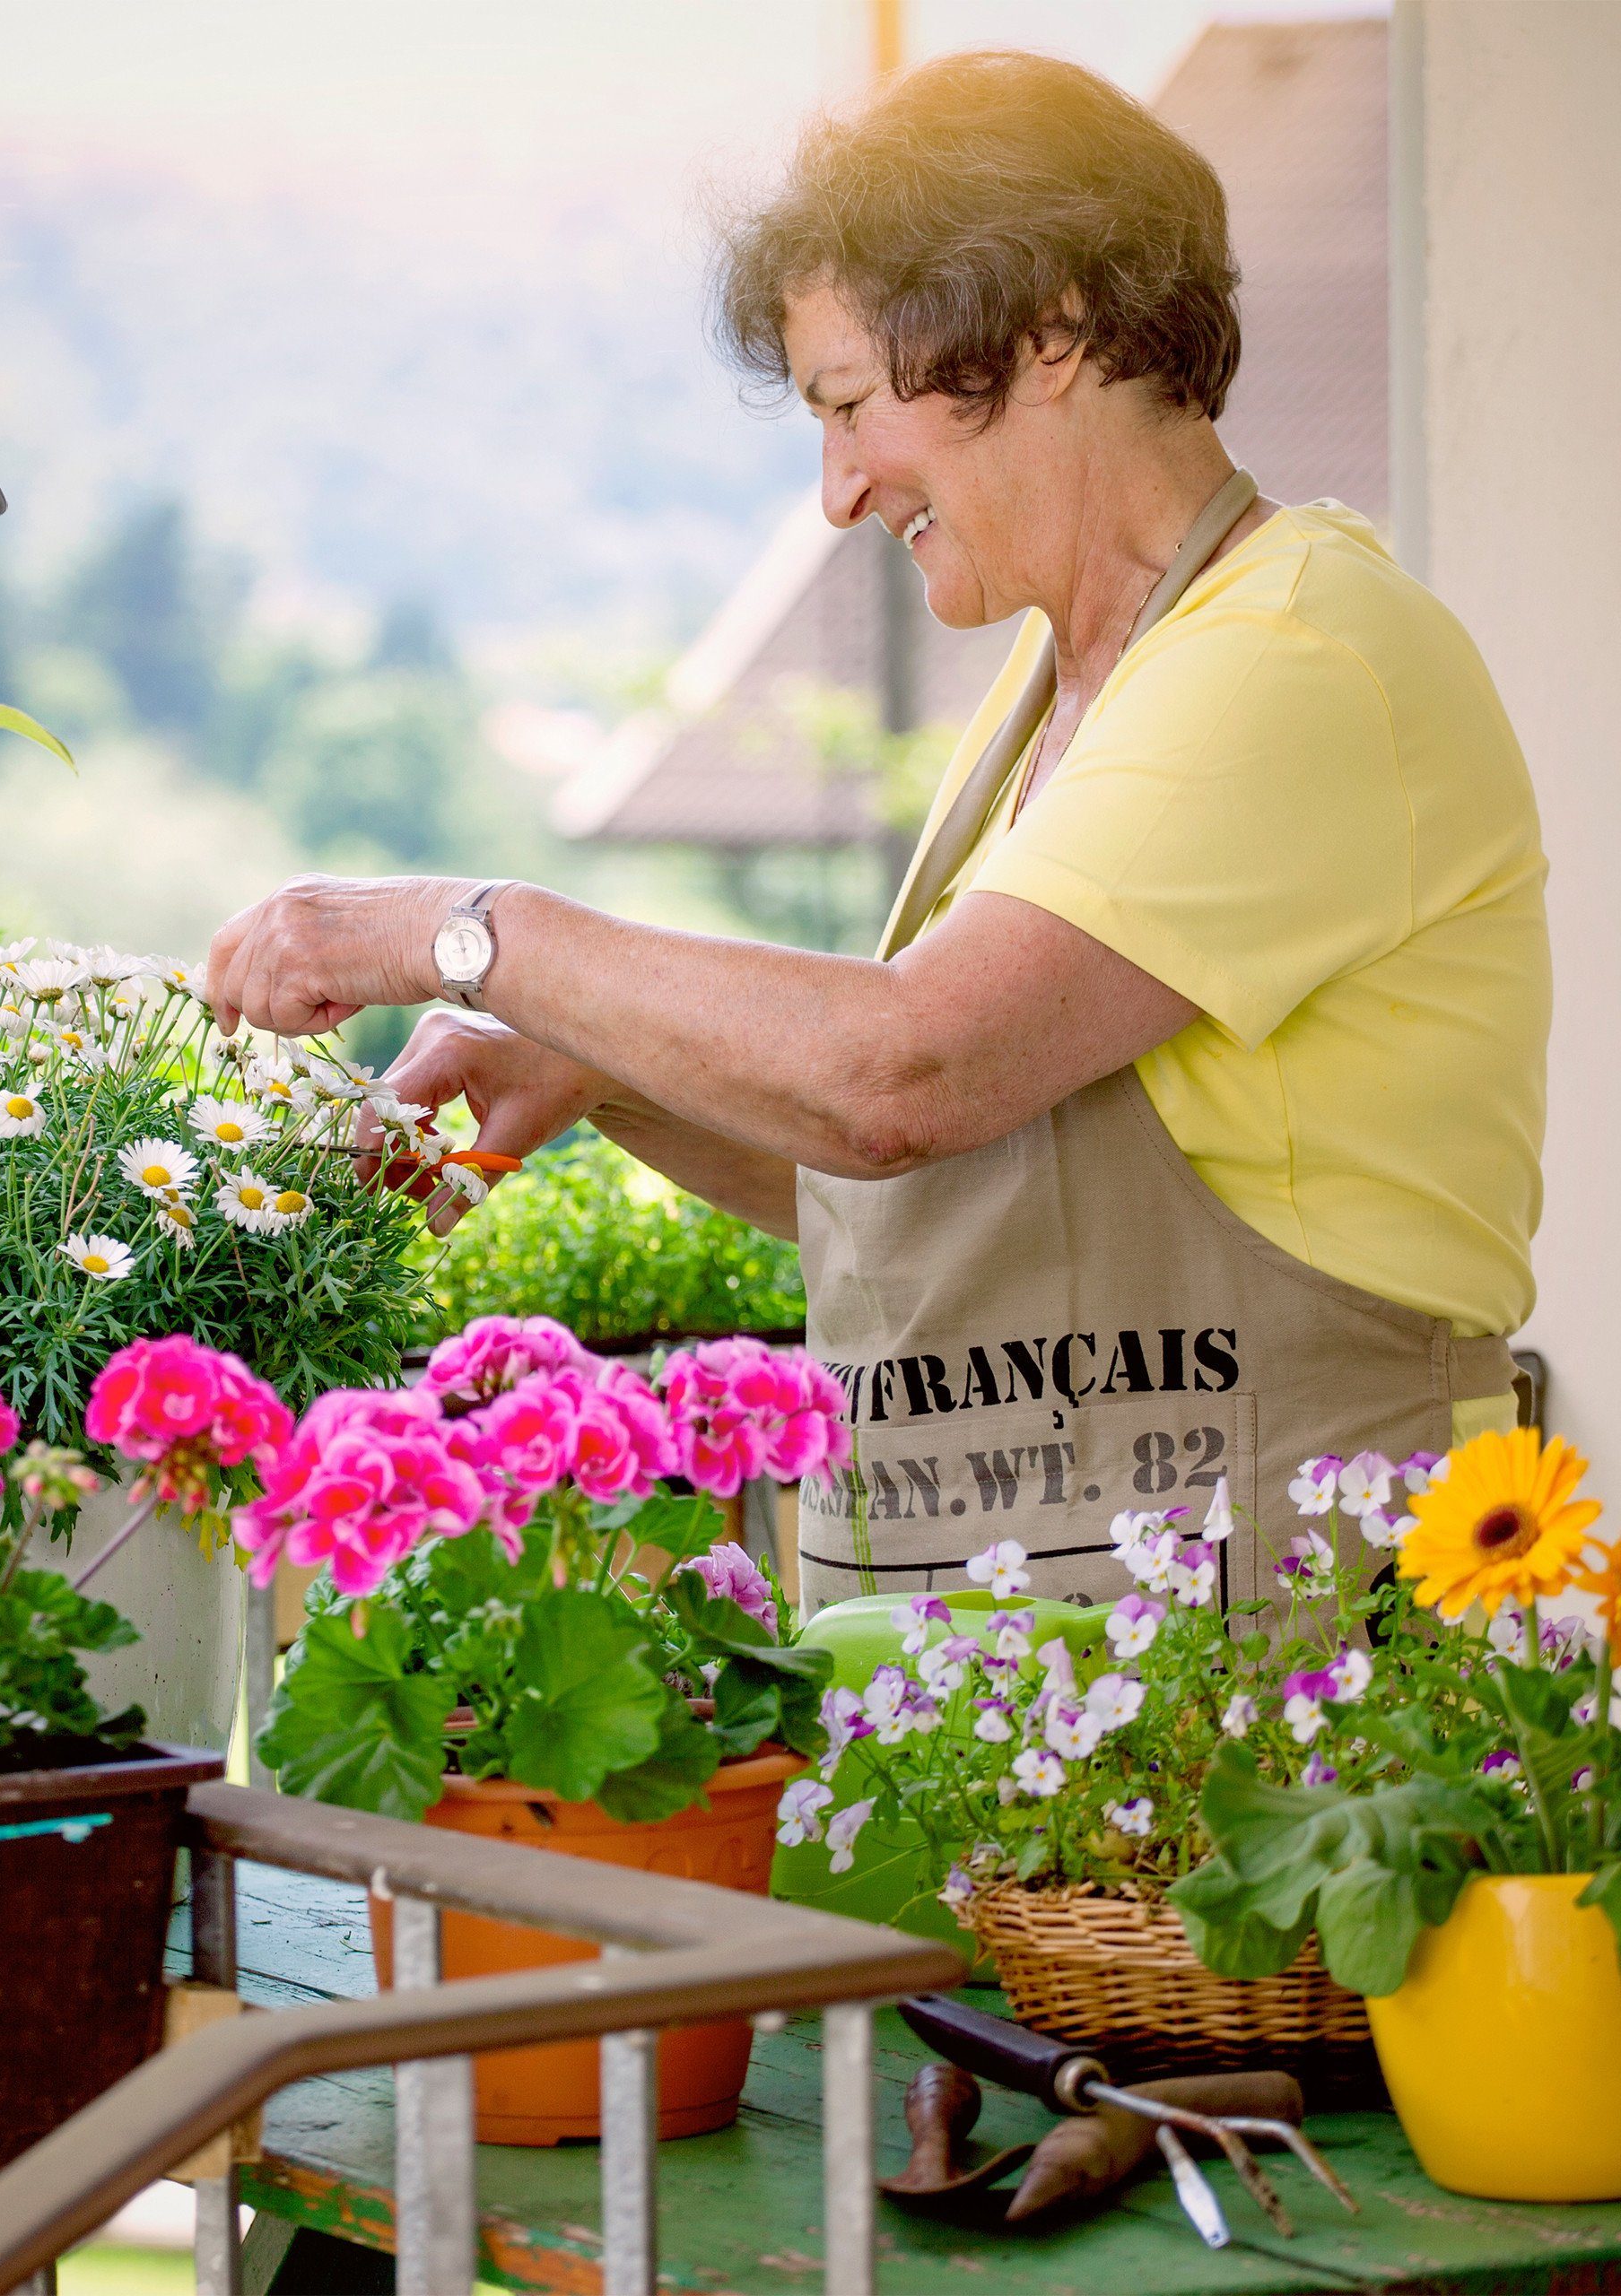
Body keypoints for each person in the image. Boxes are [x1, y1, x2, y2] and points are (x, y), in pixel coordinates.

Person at [205, 50, 1549, 1610]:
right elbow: (935, 1201)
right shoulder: (1069, 691)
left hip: (1287, 1749)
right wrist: (583, 1064)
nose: (839, 489)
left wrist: (465, 935)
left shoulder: (1296, 654)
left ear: (1046, 331)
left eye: (849, 405)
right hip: (1019, 1753)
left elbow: (903, 1075)